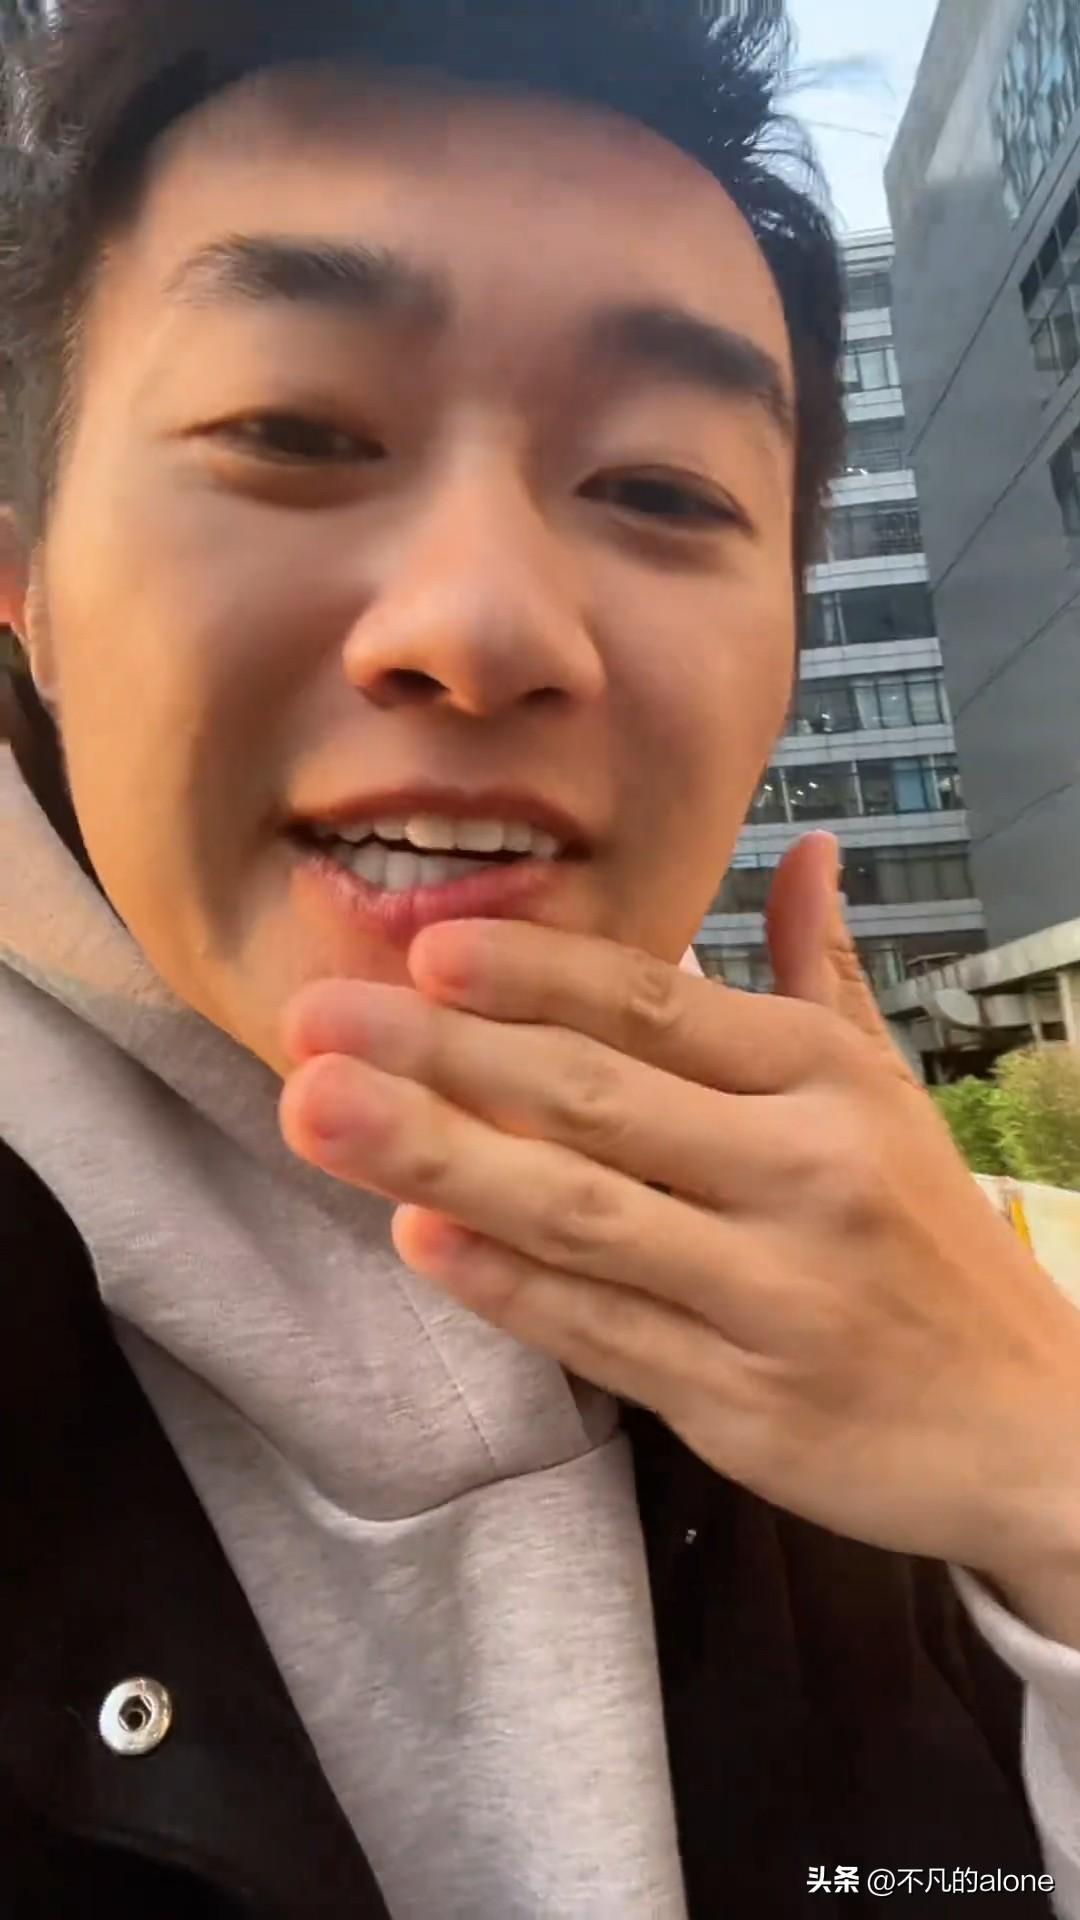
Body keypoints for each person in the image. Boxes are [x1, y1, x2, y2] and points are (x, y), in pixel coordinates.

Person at [0, 2, 1078, 1914]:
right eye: (295, 432)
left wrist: (1046, 1492)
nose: (486, 626)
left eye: (661, 491)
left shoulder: (921, 1297)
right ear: (28, 596)